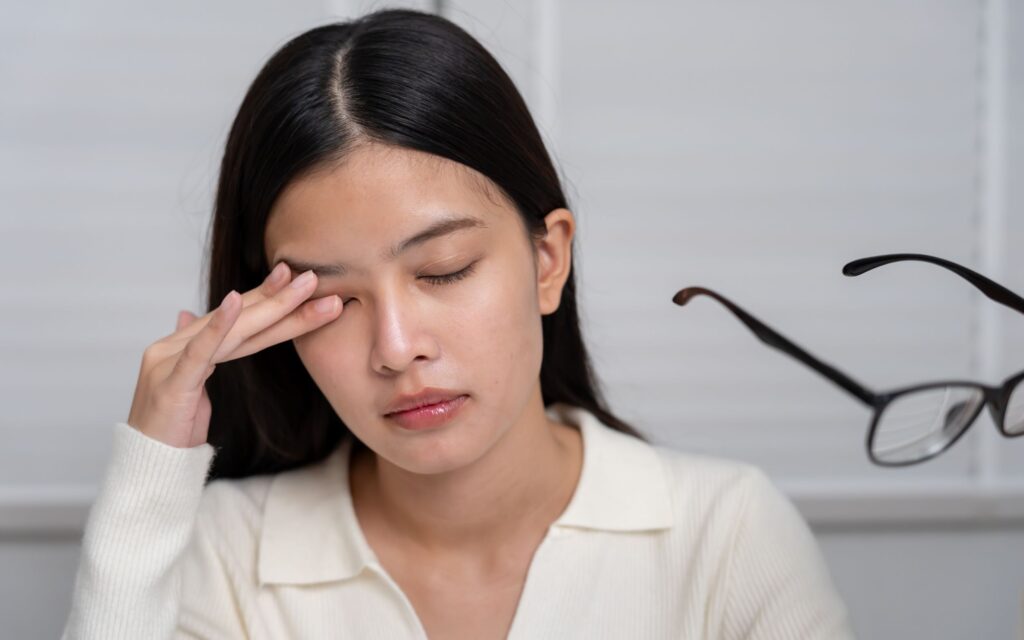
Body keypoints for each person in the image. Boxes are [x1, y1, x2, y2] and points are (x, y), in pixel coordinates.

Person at [60, 8, 855, 639]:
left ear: (548, 261)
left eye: (444, 271)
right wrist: (151, 472)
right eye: (331, 300)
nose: (398, 348)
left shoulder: (724, 535)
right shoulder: (224, 553)